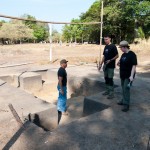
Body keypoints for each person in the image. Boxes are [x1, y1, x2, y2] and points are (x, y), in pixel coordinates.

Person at [117, 41, 137, 112]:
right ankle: (123, 100)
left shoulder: (132, 55)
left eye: (121, 48)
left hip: (128, 76)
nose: (120, 49)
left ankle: (126, 104)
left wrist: (131, 76)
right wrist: (118, 63)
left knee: (126, 89)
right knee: (123, 88)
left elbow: (134, 66)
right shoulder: (123, 55)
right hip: (122, 74)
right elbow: (120, 62)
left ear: (125, 47)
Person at [99, 35, 119, 99]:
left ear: (110, 39)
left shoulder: (113, 46)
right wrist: (100, 64)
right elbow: (104, 56)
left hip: (111, 66)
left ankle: (111, 93)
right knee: (106, 78)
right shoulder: (106, 47)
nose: (105, 40)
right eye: (104, 39)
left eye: (106, 39)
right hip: (105, 66)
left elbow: (117, 55)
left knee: (110, 79)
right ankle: (107, 91)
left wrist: (110, 60)